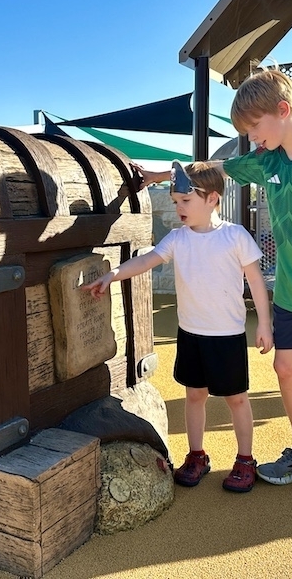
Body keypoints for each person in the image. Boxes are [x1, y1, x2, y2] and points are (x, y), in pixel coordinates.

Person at [138, 66, 292, 516]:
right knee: (286, 371)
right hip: (290, 294)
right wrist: (162, 175)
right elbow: (213, 169)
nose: (251, 138)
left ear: (282, 110)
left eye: (254, 127)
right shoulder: (268, 159)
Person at [85, 161, 273, 493]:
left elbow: (255, 281)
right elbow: (145, 260)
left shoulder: (235, 236)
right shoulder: (177, 239)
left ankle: (245, 459)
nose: (179, 208)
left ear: (212, 198)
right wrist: (113, 273)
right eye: (175, 201)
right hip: (191, 334)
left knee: (237, 399)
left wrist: (265, 325)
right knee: (194, 395)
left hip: (226, 336)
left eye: (185, 200)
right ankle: (197, 455)